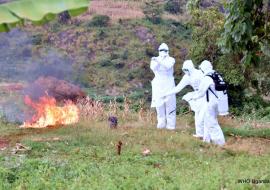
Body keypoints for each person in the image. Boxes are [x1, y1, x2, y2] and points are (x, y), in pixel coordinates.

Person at [164, 60, 204, 138]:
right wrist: (166, 93)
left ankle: (208, 135)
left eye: (187, 69)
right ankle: (200, 133)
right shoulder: (187, 77)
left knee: (204, 116)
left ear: (191, 68)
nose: (186, 71)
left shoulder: (199, 73)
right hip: (197, 96)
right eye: (184, 70)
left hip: (205, 95)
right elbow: (178, 88)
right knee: (197, 115)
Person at [192, 60, 225, 146]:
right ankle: (206, 140)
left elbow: (201, 92)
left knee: (212, 123)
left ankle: (220, 143)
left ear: (203, 68)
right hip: (219, 102)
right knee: (208, 120)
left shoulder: (207, 77)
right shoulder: (217, 75)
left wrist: (193, 97)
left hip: (211, 102)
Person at [150, 43, 176, 130]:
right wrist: (158, 60)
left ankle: (171, 125)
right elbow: (153, 68)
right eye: (161, 50)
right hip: (158, 83)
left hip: (169, 83)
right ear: (159, 51)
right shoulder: (155, 59)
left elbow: (168, 66)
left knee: (170, 104)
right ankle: (161, 124)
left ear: (168, 51)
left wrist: (159, 61)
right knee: (159, 104)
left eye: (165, 50)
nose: (163, 52)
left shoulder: (171, 59)